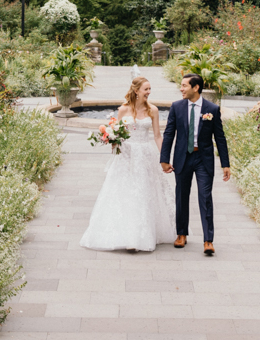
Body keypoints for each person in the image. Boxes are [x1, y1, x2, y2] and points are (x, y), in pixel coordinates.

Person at [79, 77, 177, 251]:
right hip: (126, 155)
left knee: (144, 191)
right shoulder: (123, 110)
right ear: (136, 90)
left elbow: (157, 136)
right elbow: (118, 133)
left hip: (145, 154)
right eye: (146, 89)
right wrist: (112, 143)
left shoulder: (153, 110)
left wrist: (164, 158)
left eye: (150, 89)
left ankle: (141, 235)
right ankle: (126, 235)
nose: (149, 92)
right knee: (125, 192)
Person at [160, 73, 230, 256]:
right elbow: (169, 134)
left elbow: (220, 138)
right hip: (183, 158)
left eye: (184, 86)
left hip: (203, 159)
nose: (181, 89)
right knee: (181, 196)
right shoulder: (177, 107)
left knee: (205, 197)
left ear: (195, 87)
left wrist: (225, 163)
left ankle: (208, 240)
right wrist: (164, 159)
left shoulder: (212, 109)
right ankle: (181, 234)